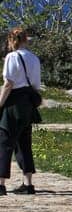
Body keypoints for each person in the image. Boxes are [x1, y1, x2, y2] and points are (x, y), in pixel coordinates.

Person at [0, 27, 43, 197]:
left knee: (4, 142)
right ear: (26, 39)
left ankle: (1, 184)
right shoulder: (34, 58)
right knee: (24, 142)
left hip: (13, 103)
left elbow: (8, 83)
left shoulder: (12, 57)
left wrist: (0, 103)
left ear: (11, 40)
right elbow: (36, 85)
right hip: (28, 102)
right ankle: (28, 184)